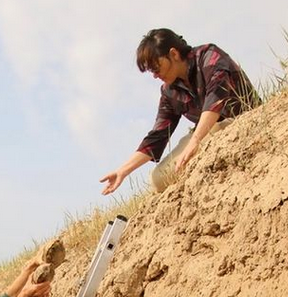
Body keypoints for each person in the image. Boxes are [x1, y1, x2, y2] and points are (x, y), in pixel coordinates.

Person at [100, 29, 261, 194]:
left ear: (174, 54)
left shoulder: (209, 56)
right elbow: (158, 135)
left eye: (156, 68)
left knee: (198, 148)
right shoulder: (169, 92)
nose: (155, 75)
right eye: (151, 71)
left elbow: (215, 99)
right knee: (158, 179)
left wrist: (195, 142)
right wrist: (123, 171)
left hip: (241, 121)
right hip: (206, 133)